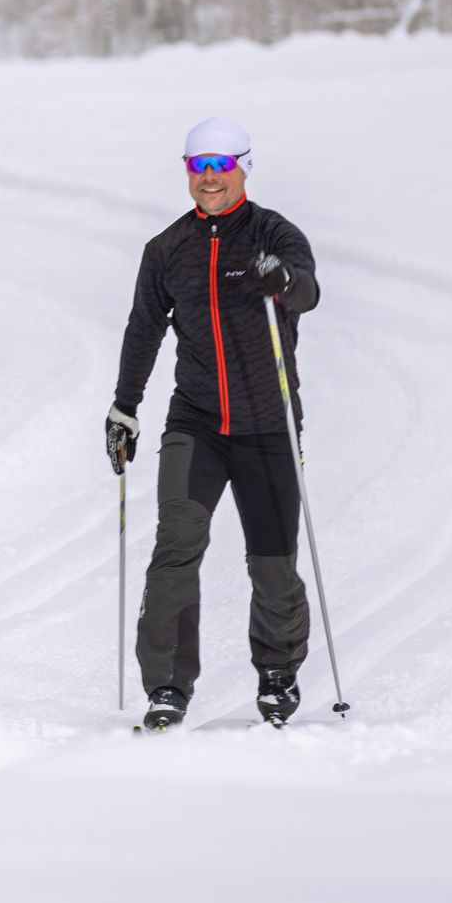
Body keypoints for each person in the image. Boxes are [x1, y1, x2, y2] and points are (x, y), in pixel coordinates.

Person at [105, 116, 321, 730]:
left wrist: (284, 281)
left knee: (272, 561)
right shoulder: (167, 249)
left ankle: (278, 673)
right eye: (196, 166)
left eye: (219, 166)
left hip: (268, 424)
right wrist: (125, 406)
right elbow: (143, 330)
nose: (207, 178)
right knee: (176, 547)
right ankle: (167, 686)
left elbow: (308, 291)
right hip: (195, 423)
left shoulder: (275, 233)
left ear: (242, 168)